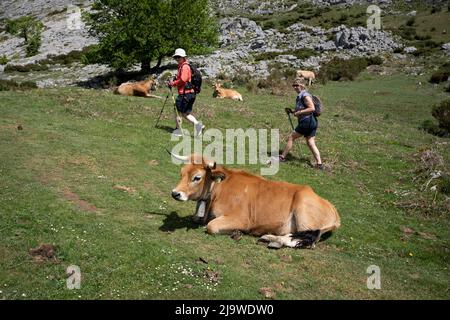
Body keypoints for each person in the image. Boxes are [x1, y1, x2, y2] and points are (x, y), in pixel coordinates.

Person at [279, 78, 323, 170]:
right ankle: (319, 164)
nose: (295, 87)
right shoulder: (301, 95)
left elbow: (311, 108)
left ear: (302, 86)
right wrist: (292, 111)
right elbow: (303, 108)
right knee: (311, 142)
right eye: (293, 85)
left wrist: (298, 113)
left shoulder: (305, 95)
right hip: (312, 121)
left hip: (307, 121)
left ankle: (282, 157)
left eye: (297, 85)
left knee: (291, 137)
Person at [167, 48, 204, 137]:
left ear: (184, 57)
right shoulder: (184, 66)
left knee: (178, 111)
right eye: (176, 57)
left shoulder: (184, 67)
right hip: (190, 93)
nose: (177, 59)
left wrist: (173, 83)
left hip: (185, 94)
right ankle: (198, 125)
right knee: (185, 113)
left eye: (179, 57)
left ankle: (178, 131)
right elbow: (184, 78)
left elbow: (183, 79)